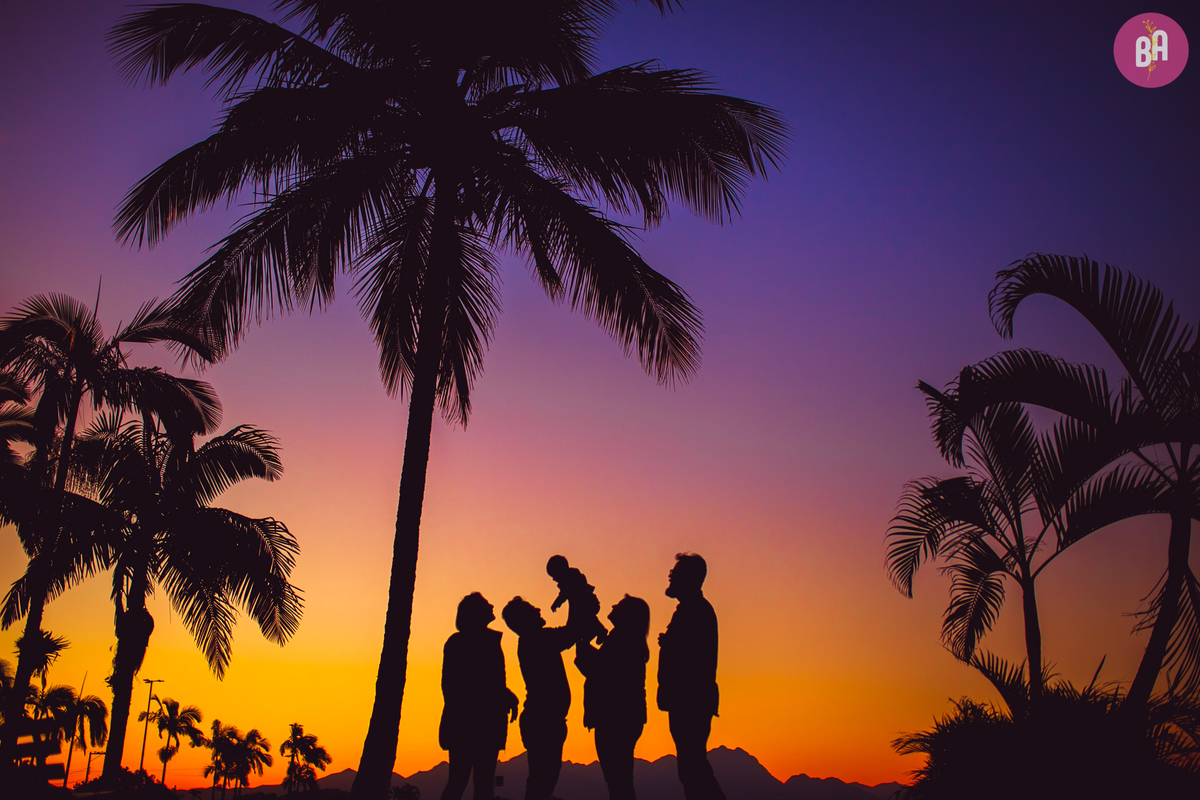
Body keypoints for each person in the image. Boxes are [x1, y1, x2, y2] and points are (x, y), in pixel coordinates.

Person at [657, 554, 726, 800]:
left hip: (690, 702)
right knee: (691, 767)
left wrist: (670, 645)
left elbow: (693, 658)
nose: (670, 576)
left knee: (693, 768)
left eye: (675, 573)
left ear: (689, 579)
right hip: (687, 701)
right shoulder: (691, 610)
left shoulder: (696, 611)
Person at [439, 593, 520, 800]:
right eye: (485, 604)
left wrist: (505, 695)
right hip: (473, 725)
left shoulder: (472, 642)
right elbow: (473, 685)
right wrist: (503, 697)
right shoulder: (464, 643)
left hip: (476, 725)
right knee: (469, 783)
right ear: (474, 613)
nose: (491, 605)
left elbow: (487, 682)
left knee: (475, 784)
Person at [575, 595, 651, 800]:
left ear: (627, 615)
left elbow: (600, 672)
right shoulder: (626, 640)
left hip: (614, 719)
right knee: (620, 780)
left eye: (619, 604)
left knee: (618, 781)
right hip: (624, 717)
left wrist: (581, 646)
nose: (613, 604)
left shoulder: (622, 641)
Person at [501, 597, 577, 800]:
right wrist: (574, 596)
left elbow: (570, 633)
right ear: (524, 619)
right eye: (531, 608)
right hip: (545, 722)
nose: (537, 608)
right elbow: (571, 633)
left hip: (542, 720)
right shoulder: (536, 638)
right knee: (541, 784)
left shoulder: (532, 639)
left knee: (541, 783)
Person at [546, 554, 607, 644]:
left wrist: (557, 602)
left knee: (584, 619)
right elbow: (564, 594)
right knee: (579, 623)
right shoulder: (569, 581)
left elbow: (565, 593)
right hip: (579, 607)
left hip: (585, 604)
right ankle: (588, 635)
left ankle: (599, 631)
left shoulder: (573, 578)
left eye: (555, 576)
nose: (554, 580)